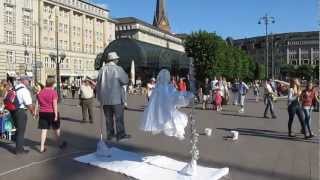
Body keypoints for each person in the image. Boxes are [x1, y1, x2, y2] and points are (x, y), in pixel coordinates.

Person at [140, 69, 194, 140]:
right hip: (166, 109)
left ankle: (175, 131)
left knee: (171, 120)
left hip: (163, 110)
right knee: (173, 119)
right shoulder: (166, 87)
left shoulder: (159, 88)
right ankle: (177, 131)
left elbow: (153, 102)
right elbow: (174, 96)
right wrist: (184, 95)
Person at [96, 52, 131, 141]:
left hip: (105, 99)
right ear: (114, 60)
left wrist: (99, 98)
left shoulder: (102, 69)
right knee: (119, 117)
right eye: (117, 59)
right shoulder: (118, 69)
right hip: (116, 98)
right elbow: (125, 80)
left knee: (108, 118)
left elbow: (98, 84)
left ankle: (110, 135)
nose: (118, 60)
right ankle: (120, 134)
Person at [37, 78, 67, 153]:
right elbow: (55, 105)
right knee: (56, 129)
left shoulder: (40, 92)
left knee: (44, 130)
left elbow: (39, 103)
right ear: (53, 84)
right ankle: (60, 143)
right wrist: (56, 115)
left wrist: (36, 111)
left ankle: (41, 147)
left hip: (42, 112)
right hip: (51, 112)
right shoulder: (53, 92)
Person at [12, 75, 35, 154]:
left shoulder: (16, 88)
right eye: (28, 81)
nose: (29, 82)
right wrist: (33, 112)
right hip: (20, 111)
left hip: (13, 111)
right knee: (21, 131)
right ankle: (19, 150)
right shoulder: (24, 90)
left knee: (18, 130)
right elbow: (28, 104)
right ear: (23, 81)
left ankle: (19, 147)